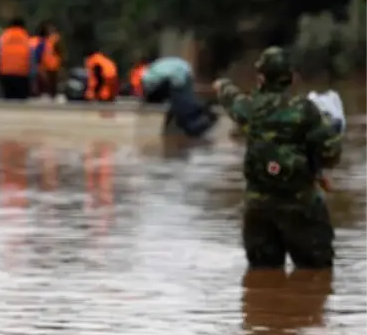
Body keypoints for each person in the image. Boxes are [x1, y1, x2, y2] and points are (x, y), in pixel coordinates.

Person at [213, 46, 343, 270]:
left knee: (262, 278)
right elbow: (330, 151)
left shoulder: (249, 108)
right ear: (292, 78)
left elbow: (230, 97)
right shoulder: (306, 110)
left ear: (260, 78)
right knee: (316, 277)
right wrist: (318, 169)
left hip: (258, 210)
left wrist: (222, 84)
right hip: (301, 206)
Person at [140, 55, 216, 137]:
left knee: (184, 114)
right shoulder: (154, 70)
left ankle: (204, 118)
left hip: (176, 76)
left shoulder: (148, 76)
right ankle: (203, 112)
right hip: (185, 71)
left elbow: (150, 92)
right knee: (183, 102)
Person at [0, 18, 32, 99]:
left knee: (7, 101)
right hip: (21, 74)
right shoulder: (25, 36)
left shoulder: (4, 36)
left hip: (5, 74)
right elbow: (31, 57)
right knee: (21, 102)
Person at [36, 21, 64, 98]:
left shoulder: (55, 40)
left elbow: (59, 53)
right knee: (47, 84)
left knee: (52, 84)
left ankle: (52, 96)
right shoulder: (45, 41)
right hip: (46, 66)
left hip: (53, 66)